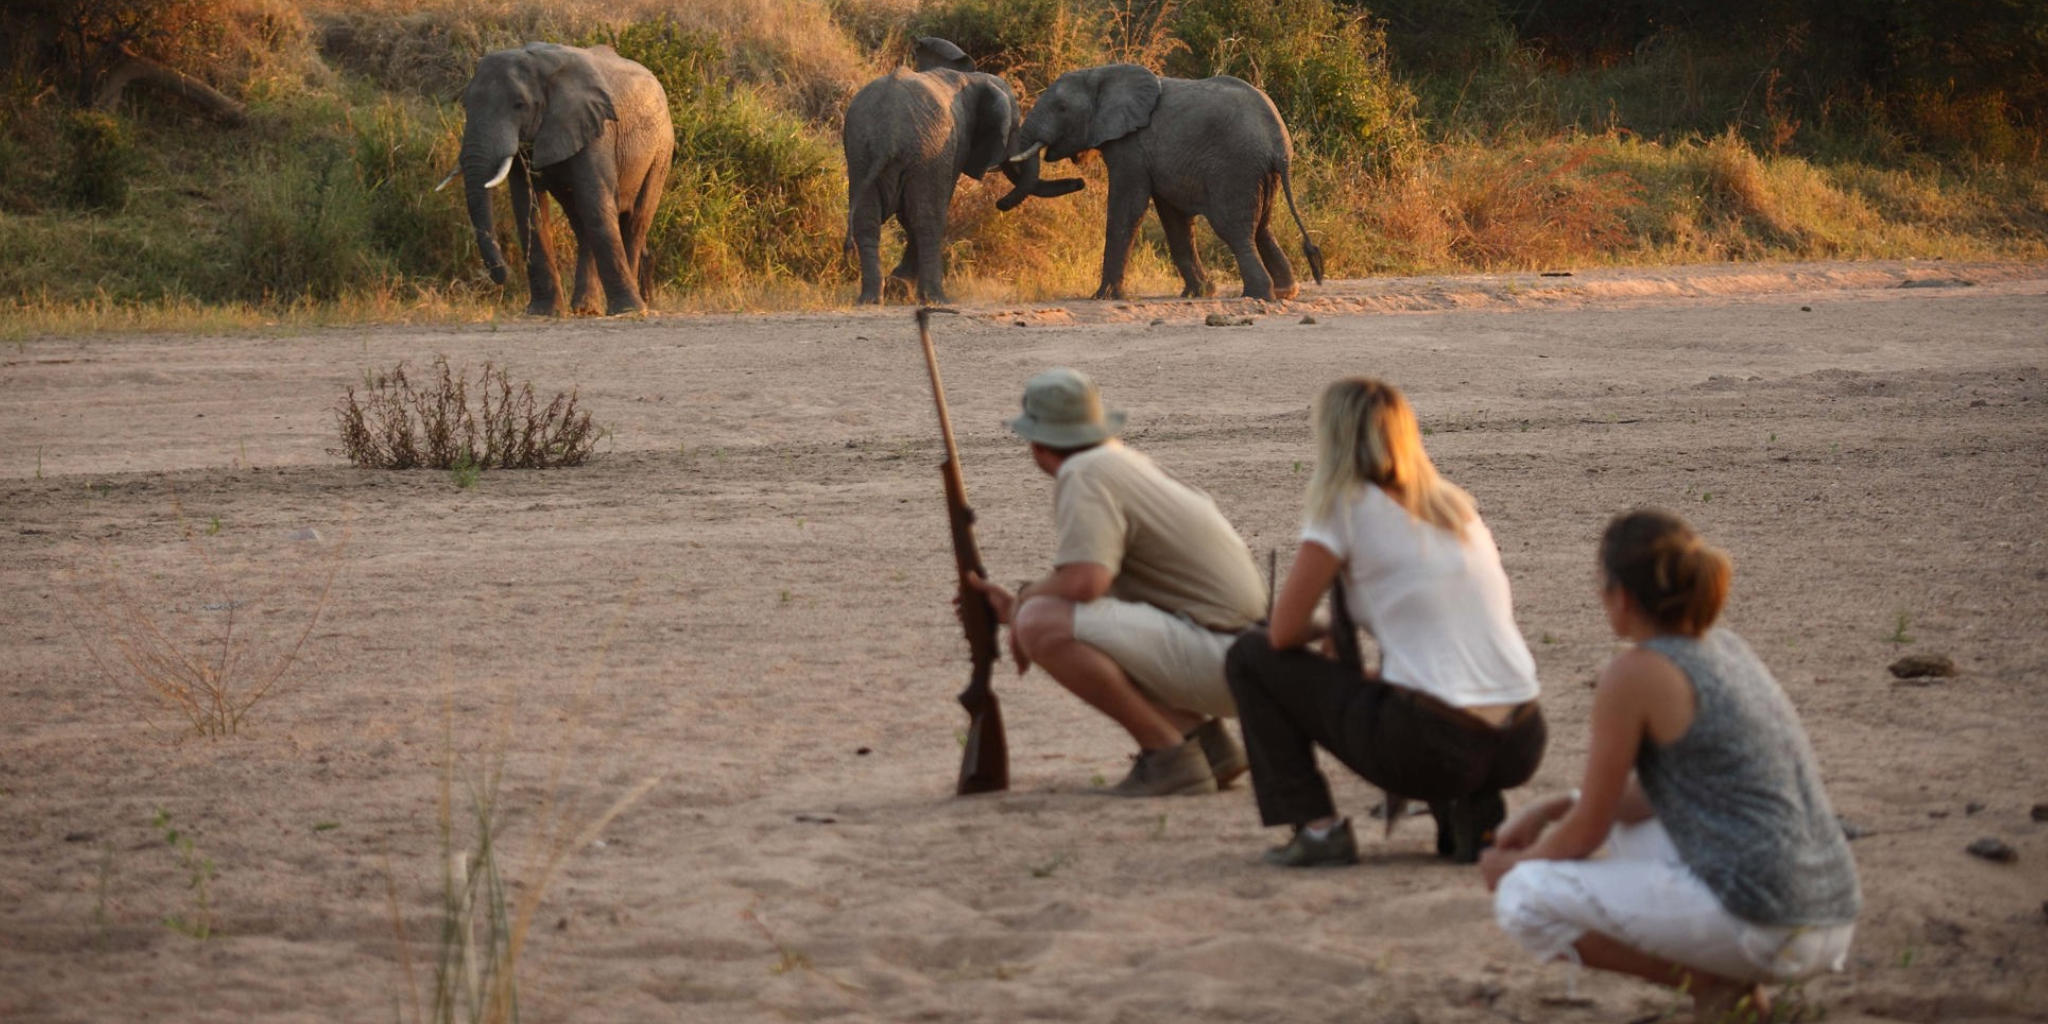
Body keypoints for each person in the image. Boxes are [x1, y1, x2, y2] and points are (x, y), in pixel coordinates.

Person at [1482, 510, 1861, 1020]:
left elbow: (1587, 832)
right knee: (1630, 833)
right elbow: (1645, 801)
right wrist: (1551, 807)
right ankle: (1729, 983)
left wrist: (1515, 866)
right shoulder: (1725, 648)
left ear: (1622, 596)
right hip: (1829, 911)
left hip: (1768, 921)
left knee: (1522, 898)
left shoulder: (1634, 672)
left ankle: (1717, 988)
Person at [1226, 376, 1545, 867]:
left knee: (1250, 656)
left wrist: (1321, 627)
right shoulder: (1454, 507)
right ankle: (1475, 814)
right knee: (1419, 687)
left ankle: (1317, 829)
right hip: (1521, 737)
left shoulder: (1346, 506)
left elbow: (1282, 634)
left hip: (1438, 747)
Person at [967, 368, 1268, 796]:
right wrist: (1016, 605)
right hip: (1244, 658)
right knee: (1044, 615)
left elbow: (1087, 582)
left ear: (1036, 442)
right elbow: (1099, 591)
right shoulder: (1121, 461)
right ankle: (1205, 743)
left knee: (1040, 623)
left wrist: (1024, 609)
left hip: (1226, 660)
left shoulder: (1085, 472)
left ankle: (1169, 757)